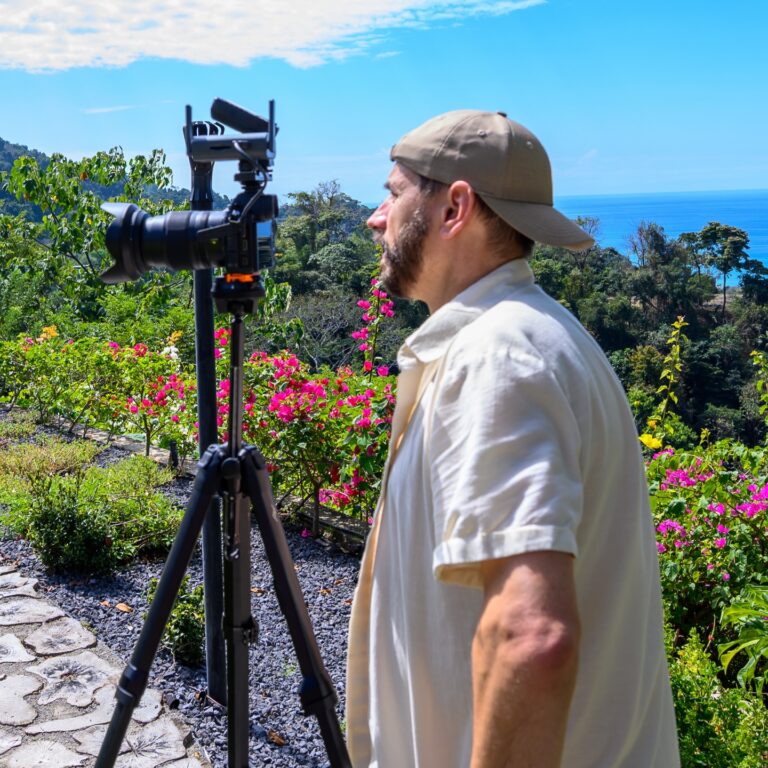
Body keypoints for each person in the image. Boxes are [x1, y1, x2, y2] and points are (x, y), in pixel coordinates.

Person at [345, 110, 680, 768]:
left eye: (392, 193)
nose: (375, 219)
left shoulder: (499, 356)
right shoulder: (534, 336)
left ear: (454, 207)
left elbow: (532, 636)